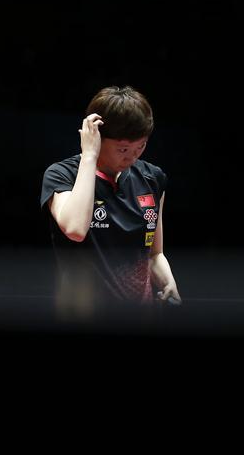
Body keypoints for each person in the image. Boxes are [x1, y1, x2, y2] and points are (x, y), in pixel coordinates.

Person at [40, 86, 181, 317]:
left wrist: (168, 283)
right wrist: (89, 156)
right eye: (123, 148)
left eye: (141, 146)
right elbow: (75, 229)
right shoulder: (61, 175)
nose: (133, 157)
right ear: (95, 135)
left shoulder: (152, 178)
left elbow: (154, 254)